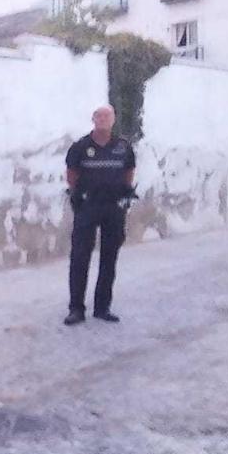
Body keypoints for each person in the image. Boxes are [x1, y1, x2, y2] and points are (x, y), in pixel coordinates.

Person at [64, 104, 137, 326]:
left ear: (113, 120)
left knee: (109, 257)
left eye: (108, 116)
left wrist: (122, 194)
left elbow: (129, 172)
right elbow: (71, 174)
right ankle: (76, 309)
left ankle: (102, 307)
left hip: (113, 208)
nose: (104, 120)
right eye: (100, 116)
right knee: (80, 257)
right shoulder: (80, 147)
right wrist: (82, 195)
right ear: (93, 119)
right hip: (88, 207)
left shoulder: (123, 147)